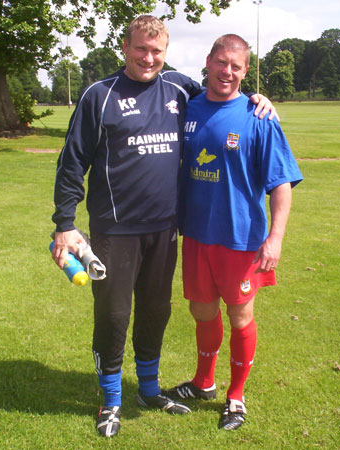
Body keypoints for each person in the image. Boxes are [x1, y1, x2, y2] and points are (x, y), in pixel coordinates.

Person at [51, 16, 277, 438]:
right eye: (141, 49)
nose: (148, 59)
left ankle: (150, 389)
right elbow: (71, 164)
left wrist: (257, 100)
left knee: (156, 311)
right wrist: (64, 224)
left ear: (166, 52)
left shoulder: (179, 89)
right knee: (114, 315)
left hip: (166, 230)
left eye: (157, 52)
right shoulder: (98, 96)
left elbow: (221, 95)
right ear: (125, 47)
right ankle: (110, 399)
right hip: (114, 230)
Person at [165, 34, 303, 431]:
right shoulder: (185, 110)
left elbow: (280, 184)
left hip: (241, 240)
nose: (227, 72)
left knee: (240, 317)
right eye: (221, 62)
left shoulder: (258, 116)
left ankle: (236, 396)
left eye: (237, 66)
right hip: (195, 235)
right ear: (208, 61)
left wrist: (275, 239)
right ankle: (203, 382)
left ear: (245, 71)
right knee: (201, 310)